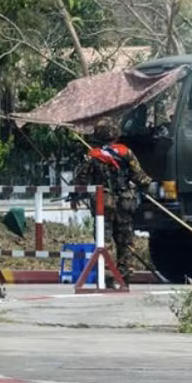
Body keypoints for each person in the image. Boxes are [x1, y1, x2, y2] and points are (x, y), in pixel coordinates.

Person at [72, 117, 153, 287]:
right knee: (125, 242)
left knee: (104, 242)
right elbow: (140, 177)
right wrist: (144, 189)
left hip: (103, 205)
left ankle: (108, 277)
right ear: (115, 134)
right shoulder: (125, 153)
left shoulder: (93, 156)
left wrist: (75, 197)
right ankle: (125, 276)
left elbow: (81, 179)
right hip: (125, 203)